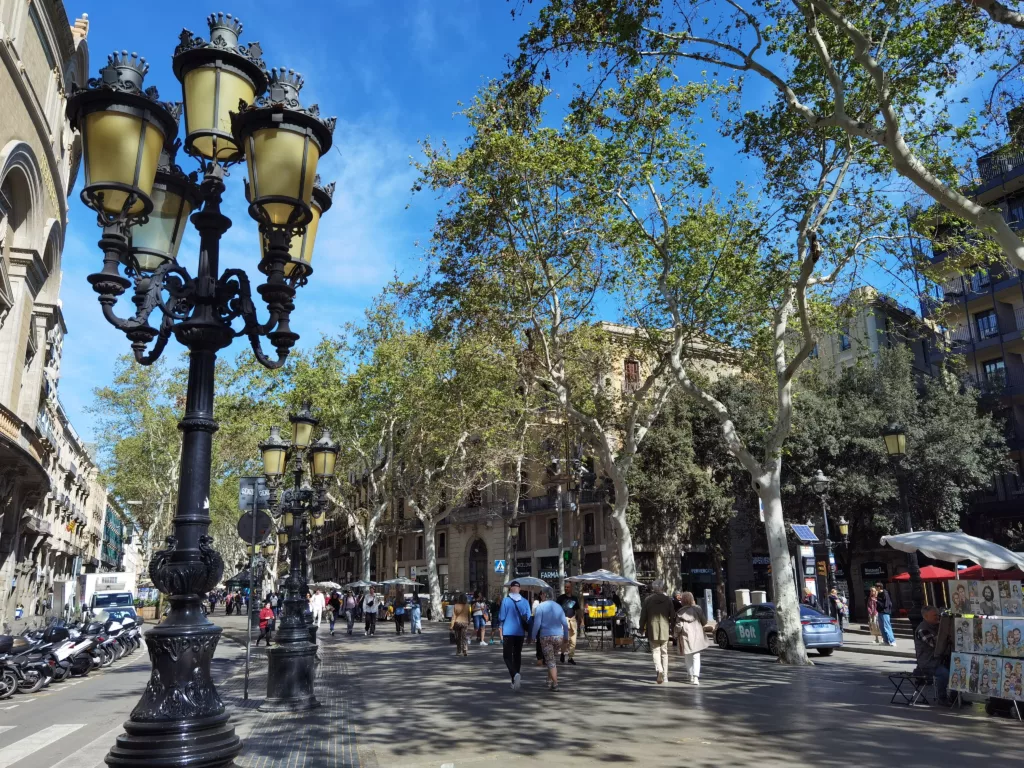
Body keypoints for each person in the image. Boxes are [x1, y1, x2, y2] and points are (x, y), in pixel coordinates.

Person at [530, 590, 570, 691]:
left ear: (544, 596)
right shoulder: (558, 606)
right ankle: (549, 680)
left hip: (546, 637)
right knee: (551, 659)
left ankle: (555, 683)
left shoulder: (540, 607)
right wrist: (566, 636)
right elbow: (564, 624)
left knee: (550, 660)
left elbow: (537, 624)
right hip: (558, 636)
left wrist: (533, 636)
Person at [639, 579, 675, 684]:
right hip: (664, 629)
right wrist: (673, 628)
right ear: (662, 587)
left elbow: (643, 616)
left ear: (653, 588)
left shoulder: (648, 600)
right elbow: (672, 615)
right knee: (664, 653)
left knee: (655, 651)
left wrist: (642, 627)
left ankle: (659, 669)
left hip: (652, 628)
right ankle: (666, 676)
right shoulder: (668, 600)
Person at [498, 580, 532, 691]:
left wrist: (500, 628)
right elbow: (529, 618)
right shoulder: (525, 601)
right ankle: (515, 680)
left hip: (508, 632)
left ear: (510, 589)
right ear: (519, 589)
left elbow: (501, 617)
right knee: (517, 655)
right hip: (520, 633)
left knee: (507, 656)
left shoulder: (506, 601)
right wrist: (530, 634)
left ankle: (514, 675)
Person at [914, 605, 949, 703]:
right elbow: (935, 644)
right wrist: (944, 629)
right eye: (935, 615)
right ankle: (942, 698)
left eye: (938, 615)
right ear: (926, 617)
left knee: (958, 670)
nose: (937, 617)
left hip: (940, 660)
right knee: (944, 674)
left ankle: (956, 697)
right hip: (928, 663)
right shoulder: (922, 629)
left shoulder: (937, 626)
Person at [675, 592, 708, 685]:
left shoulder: (680, 612)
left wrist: (675, 634)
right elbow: (704, 622)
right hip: (697, 635)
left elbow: (678, 626)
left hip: (686, 636)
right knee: (696, 656)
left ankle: (690, 675)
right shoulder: (698, 609)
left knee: (688, 656)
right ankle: (696, 677)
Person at [556, 582, 580, 665]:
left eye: (568, 587)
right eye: (565, 587)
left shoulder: (575, 599)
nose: (566, 588)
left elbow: (578, 610)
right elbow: (556, 610)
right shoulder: (561, 598)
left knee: (573, 641)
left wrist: (582, 620)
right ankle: (562, 653)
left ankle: (570, 657)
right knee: (565, 639)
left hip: (573, 620)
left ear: (571, 588)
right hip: (564, 620)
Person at [875, 582, 896, 647]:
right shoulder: (879, 594)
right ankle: (886, 641)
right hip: (880, 612)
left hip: (885, 612)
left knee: (887, 626)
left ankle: (892, 641)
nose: (875, 589)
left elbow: (885, 605)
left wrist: (876, 601)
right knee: (882, 627)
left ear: (879, 587)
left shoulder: (885, 593)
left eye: (876, 587)